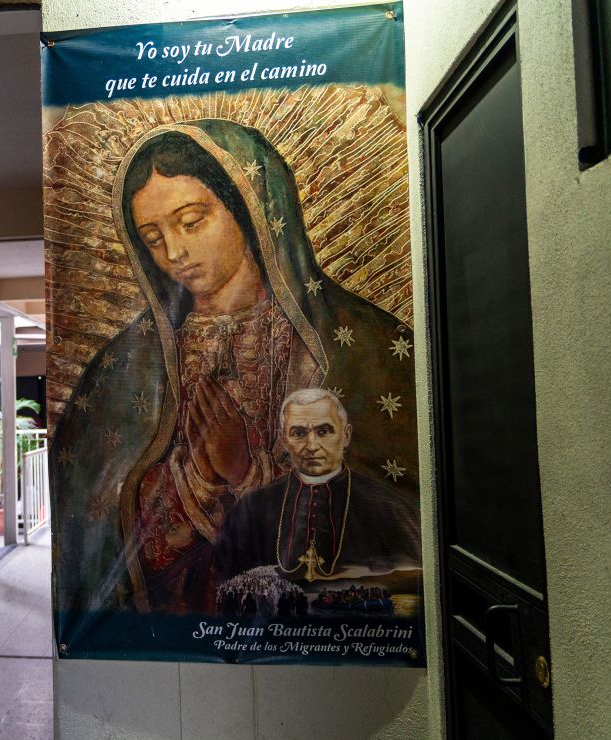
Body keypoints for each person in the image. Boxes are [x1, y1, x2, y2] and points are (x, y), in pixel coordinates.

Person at [51, 120, 419, 629]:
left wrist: (249, 474)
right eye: (153, 238)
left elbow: (398, 509)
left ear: (247, 209)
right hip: (185, 624)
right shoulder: (129, 368)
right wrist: (200, 478)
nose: (175, 254)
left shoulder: (356, 343)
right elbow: (99, 533)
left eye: (192, 220)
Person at [215, 389, 421, 584]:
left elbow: (417, 584)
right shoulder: (252, 508)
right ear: (284, 439)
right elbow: (225, 588)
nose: (312, 445)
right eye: (298, 433)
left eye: (324, 431)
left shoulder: (388, 507)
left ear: (346, 435)